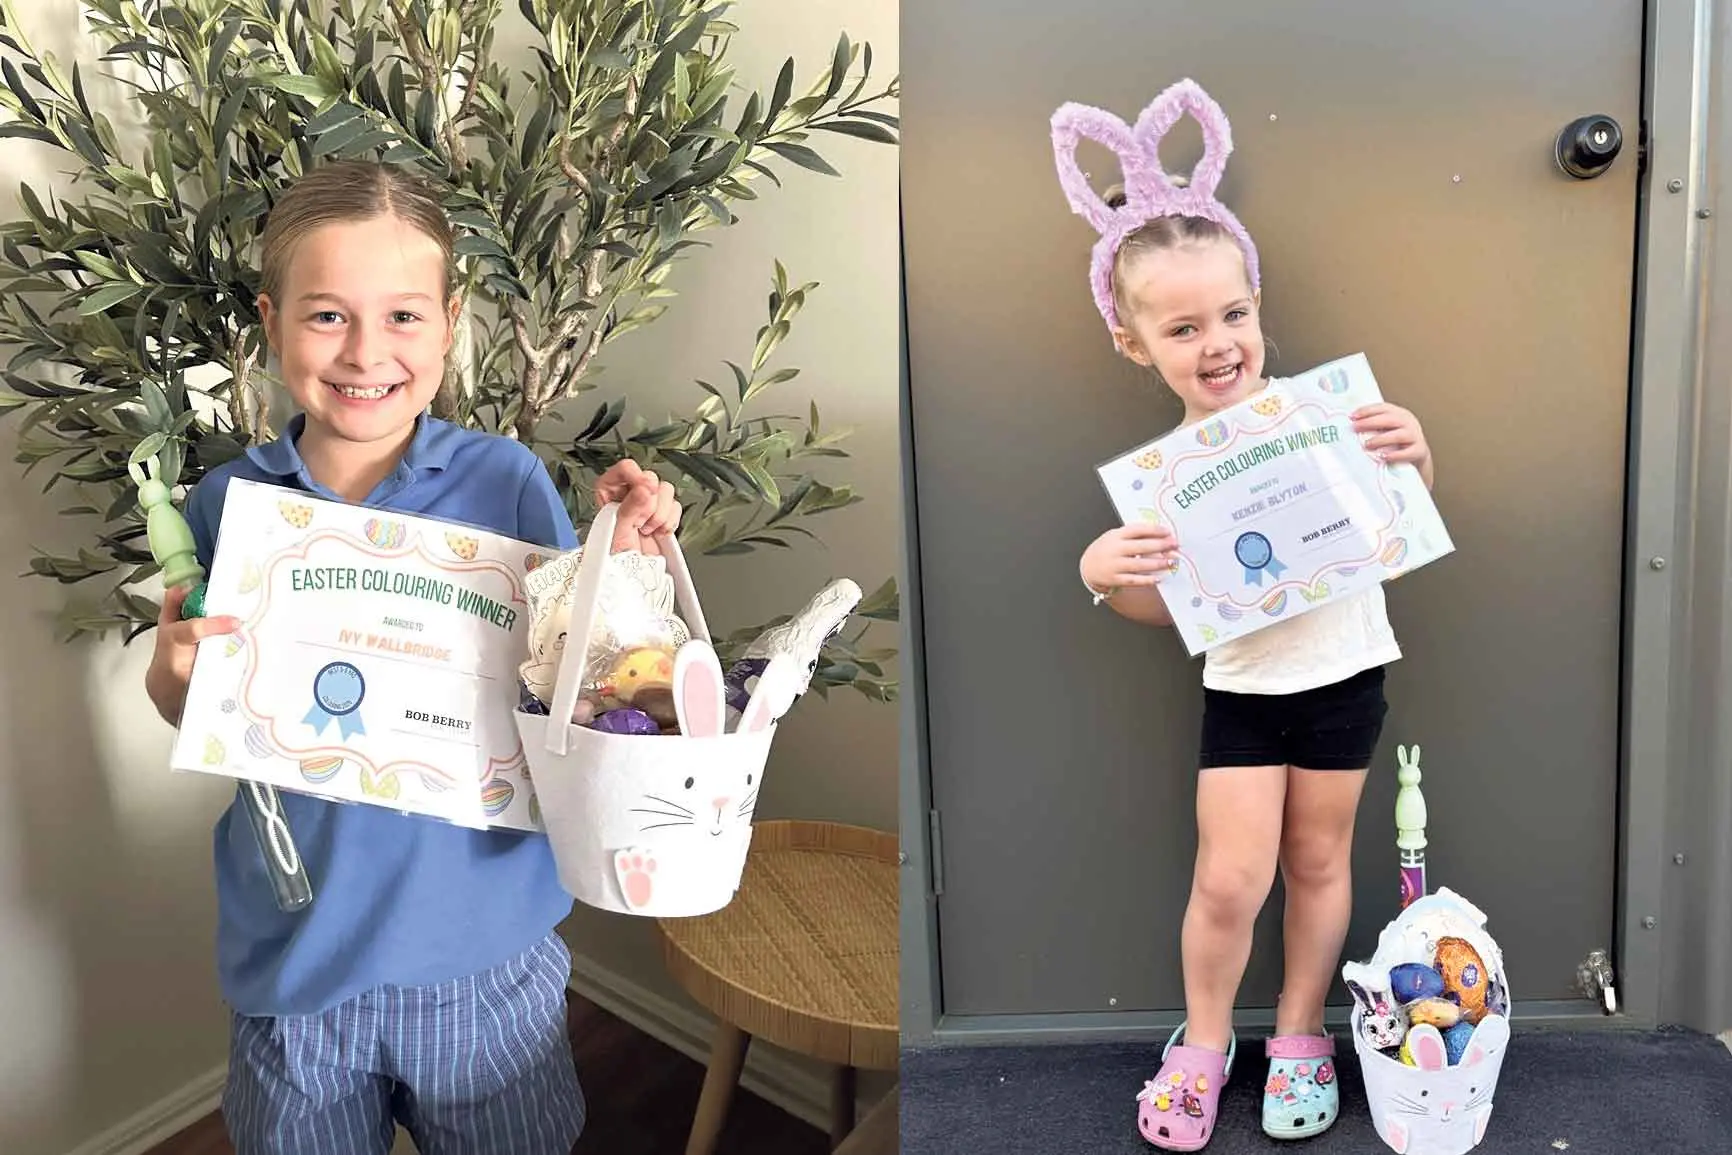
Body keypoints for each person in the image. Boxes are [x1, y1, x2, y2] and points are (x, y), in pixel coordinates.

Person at [144, 158, 679, 1154]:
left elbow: (590, 689)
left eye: (401, 316)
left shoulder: (506, 481)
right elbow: (197, 706)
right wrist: (172, 676)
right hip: (296, 961)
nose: (365, 351)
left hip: (484, 954)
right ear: (271, 320)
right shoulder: (226, 505)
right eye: (326, 316)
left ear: (449, 320)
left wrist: (631, 571)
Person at [1053, 82, 1437, 1150]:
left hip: (1345, 674)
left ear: (1258, 307)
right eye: (1181, 327)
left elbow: (1395, 527)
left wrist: (1411, 448)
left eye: (1233, 314)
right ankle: (1208, 1040)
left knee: (1319, 866)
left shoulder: (1328, 420)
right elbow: (1157, 609)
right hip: (1244, 690)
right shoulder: (1163, 482)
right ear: (1133, 344)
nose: (1216, 342)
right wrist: (1100, 569)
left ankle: (1303, 1032)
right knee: (1227, 879)